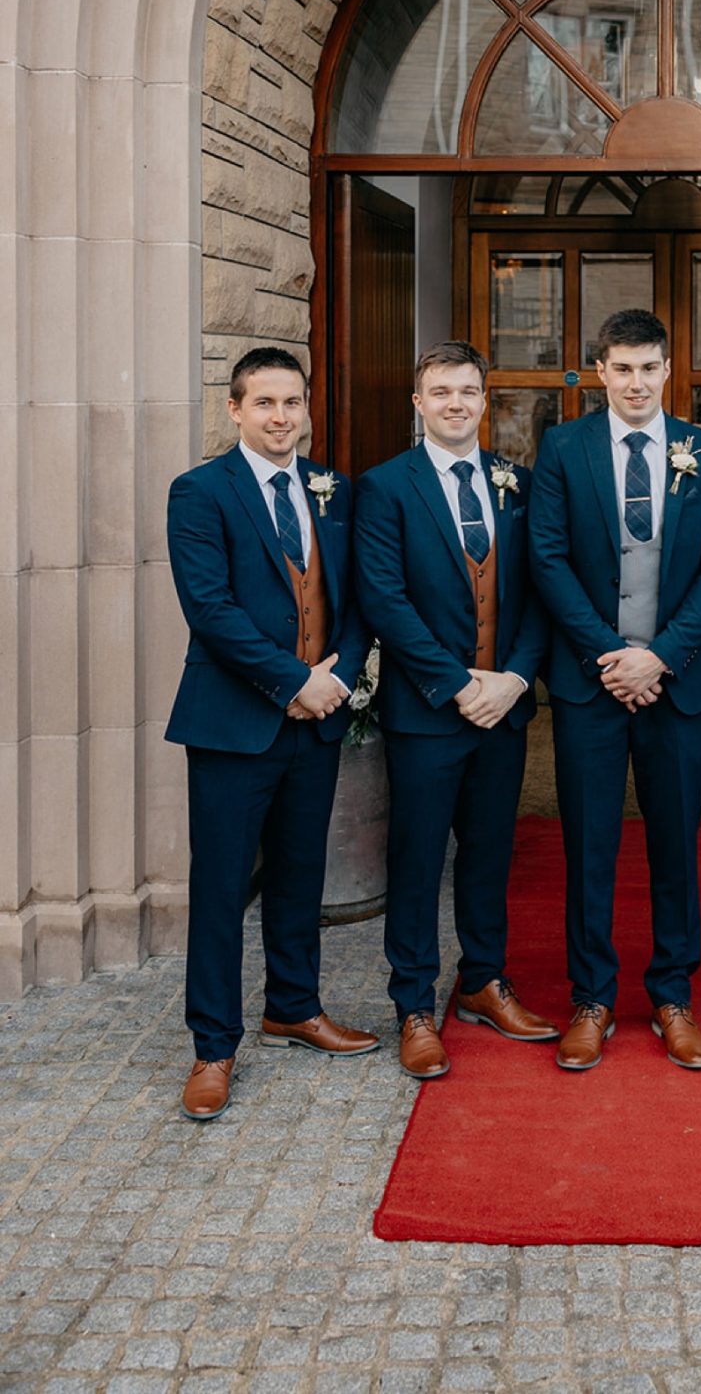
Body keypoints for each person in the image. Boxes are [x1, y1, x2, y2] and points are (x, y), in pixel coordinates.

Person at [164, 348, 378, 1121]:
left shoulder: (334, 490)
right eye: (264, 404)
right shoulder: (199, 492)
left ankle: (293, 1005)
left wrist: (337, 678)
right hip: (232, 725)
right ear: (234, 409)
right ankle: (212, 1046)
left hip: (316, 719)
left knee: (299, 874)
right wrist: (293, 682)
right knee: (222, 889)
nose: (281, 418)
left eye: (293, 403)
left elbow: (358, 601)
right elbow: (210, 609)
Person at [528, 309, 701, 1072]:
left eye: (649, 368)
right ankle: (591, 996)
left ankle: (672, 995)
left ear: (667, 371)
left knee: (675, 844)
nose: (636, 382)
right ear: (599, 373)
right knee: (588, 845)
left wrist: (663, 657)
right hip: (592, 684)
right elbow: (546, 558)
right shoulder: (563, 446)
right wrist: (609, 655)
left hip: (675, 683)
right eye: (621, 368)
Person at [354, 342, 556, 1079]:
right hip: (428, 711)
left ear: (485, 400)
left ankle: (482, 980)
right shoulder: (382, 488)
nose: (454, 404)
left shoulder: (518, 483)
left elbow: (540, 594)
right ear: (418, 403)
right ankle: (412, 1003)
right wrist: (456, 682)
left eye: (467, 391)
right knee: (415, 859)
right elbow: (383, 598)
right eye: (440, 392)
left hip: (502, 708)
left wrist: (512, 679)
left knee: (489, 852)